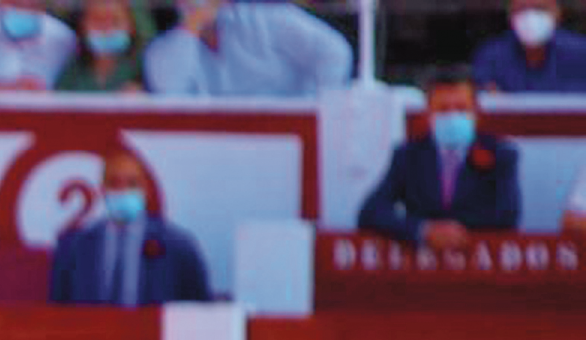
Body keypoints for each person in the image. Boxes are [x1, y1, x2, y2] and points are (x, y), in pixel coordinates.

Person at [356, 68, 521, 249]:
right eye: (443, 109)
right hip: (421, 269)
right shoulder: (408, 155)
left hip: (480, 265)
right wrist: (423, 230)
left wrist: (452, 231)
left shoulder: (501, 154)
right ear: (428, 114)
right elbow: (371, 211)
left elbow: (507, 214)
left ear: (476, 113)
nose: (452, 116)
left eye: (461, 108)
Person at [49, 148, 211, 304]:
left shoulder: (178, 246)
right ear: (102, 189)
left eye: (132, 183)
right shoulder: (75, 247)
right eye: (114, 183)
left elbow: (200, 311)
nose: (123, 190)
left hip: (152, 332)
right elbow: (59, 312)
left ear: (145, 190)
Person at [143, 0, 351, 97]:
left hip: (288, 139)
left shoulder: (266, 17)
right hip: (216, 152)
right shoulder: (162, 50)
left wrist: (317, 107)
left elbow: (334, 54)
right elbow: (168, 89)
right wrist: (193, 24)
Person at [474, 0, 586, 93]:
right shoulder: (491, 56)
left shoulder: (581, 52)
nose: (530, 17)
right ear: (510, 16)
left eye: (540, 9)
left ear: (557, 13)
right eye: (522, 9)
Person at [56, 0, 148, 92]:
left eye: (115, 21)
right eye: (98, 20)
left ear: (131, 26)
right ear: (83, 26)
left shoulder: (143, 65)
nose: (106, 29)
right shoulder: (73, 69)